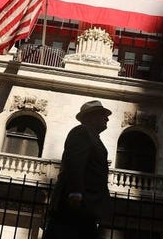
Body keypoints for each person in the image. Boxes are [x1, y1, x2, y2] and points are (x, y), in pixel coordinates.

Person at [45, 100, 111, 239]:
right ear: (90, 117)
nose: (107, 118)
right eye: (102, 114)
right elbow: (75, 161)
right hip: (78, 203)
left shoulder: (93, 137)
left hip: (87, 205)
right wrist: (76, 192)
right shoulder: (81, 132)